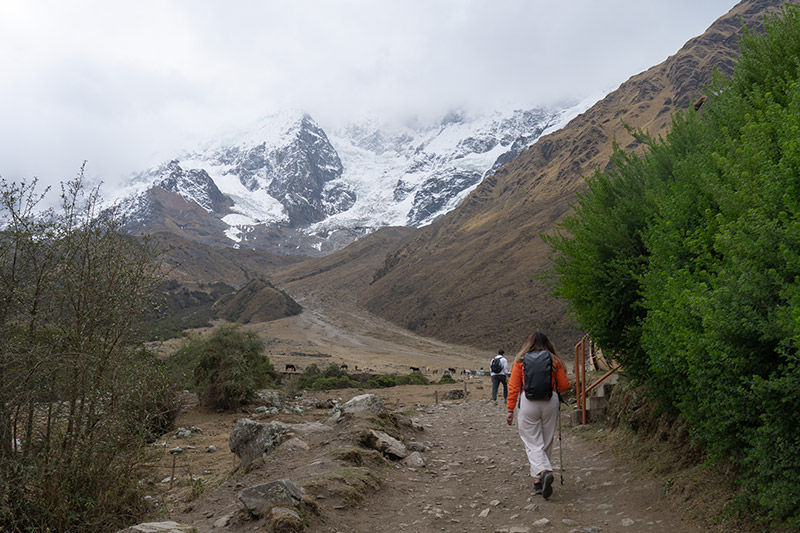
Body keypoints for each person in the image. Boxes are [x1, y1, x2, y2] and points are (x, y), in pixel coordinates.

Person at [506, 332, 570, 499]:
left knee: (532, 442)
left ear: (528, 343)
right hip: (551, 401)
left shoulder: (520, 361)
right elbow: (564, 386)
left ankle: (543, 472)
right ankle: (538, 481)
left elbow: (513, 387)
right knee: (546, 440)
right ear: (548, 343)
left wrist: (510, 410)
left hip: (528, 402)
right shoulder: (555, 360)